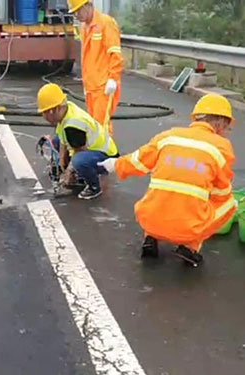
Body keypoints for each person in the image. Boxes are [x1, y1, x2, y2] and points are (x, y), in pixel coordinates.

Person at [99, 94, 237, 266]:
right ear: (219, 121)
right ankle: (191, 247)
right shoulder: (221, 147)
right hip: (188, 230)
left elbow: (136, 161)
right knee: (230, 204)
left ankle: (150, 237)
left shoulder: (168, 137)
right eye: (226, 126)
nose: (225, 131)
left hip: (149, 220)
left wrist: (115, 164)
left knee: (160, 195)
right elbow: (221, 193)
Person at [37, 83, 119, 200]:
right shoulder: (66, 110)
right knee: (56, 141)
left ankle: (94, 187)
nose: (43, 117)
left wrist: (68, 173)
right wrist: (61, 165)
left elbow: (79, 151)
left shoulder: (73, 125)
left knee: (78, 161)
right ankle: (80, 174)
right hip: (91, 151)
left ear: (52, 110)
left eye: (43, 113)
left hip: (106, 157)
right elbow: (62, 141)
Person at [67, 0, 123, 135]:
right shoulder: (85, 27)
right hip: (91, 86)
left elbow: (115, 53)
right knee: (94, 125)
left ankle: (106, 154)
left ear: (88, 5)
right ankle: (99, 153)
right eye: (74, 12)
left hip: (103, 86)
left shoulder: (106, 23)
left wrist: (113, 78)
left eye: (78, 10)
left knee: (101, 127)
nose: (76, 15)